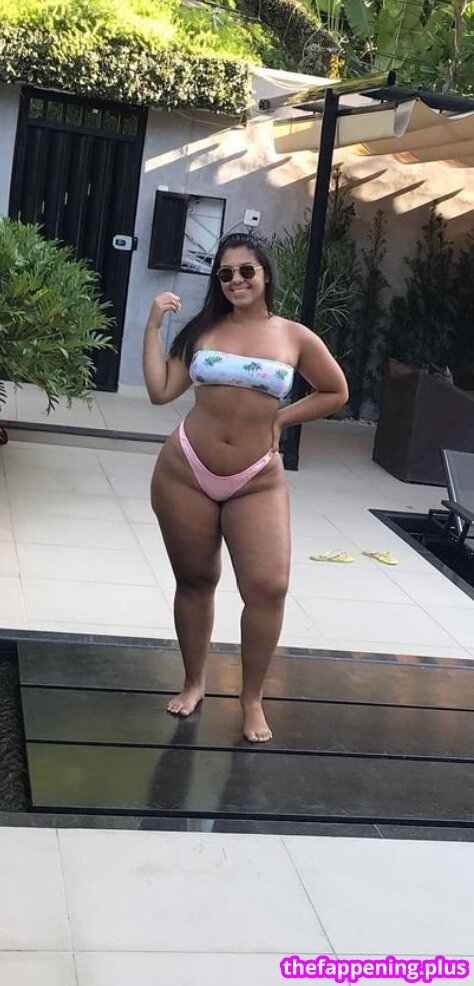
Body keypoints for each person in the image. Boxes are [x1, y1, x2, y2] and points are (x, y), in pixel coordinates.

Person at [143, 232, 348, 743]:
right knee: (196, 579)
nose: (236, 280)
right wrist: (153, 327)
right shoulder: (202, 331)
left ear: (265, 275)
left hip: (257, 478)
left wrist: (282, 418)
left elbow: (335, 390)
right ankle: (194, 682)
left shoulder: (294, 336)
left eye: (246, 271)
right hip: (186, 469)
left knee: (268, 588)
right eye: (226, 273)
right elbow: (160, 391)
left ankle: (251, 697)